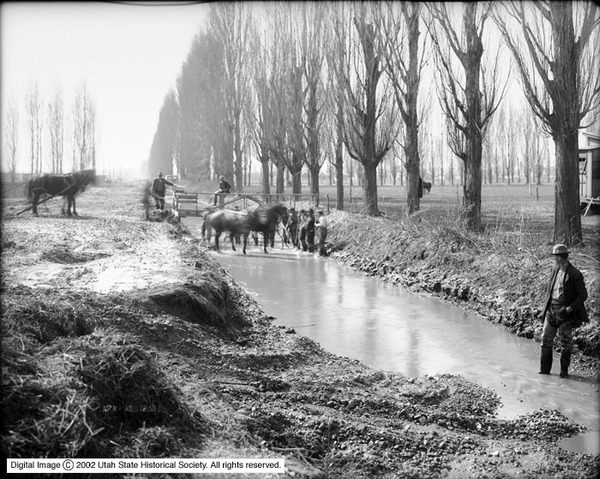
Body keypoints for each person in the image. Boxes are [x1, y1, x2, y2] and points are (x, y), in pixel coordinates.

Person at [539, 243, 589, 378]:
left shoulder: (575, 273)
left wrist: (569, 309)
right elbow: (550, 290)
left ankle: (563, 373)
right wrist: (545, 308)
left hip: (565, 312)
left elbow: (583, 295)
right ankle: (544, 371)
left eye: (555, 256)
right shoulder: (554, 269)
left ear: (561, 257)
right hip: (551, 309)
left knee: (566, 342)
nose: (554, 259)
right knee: (545, 339)